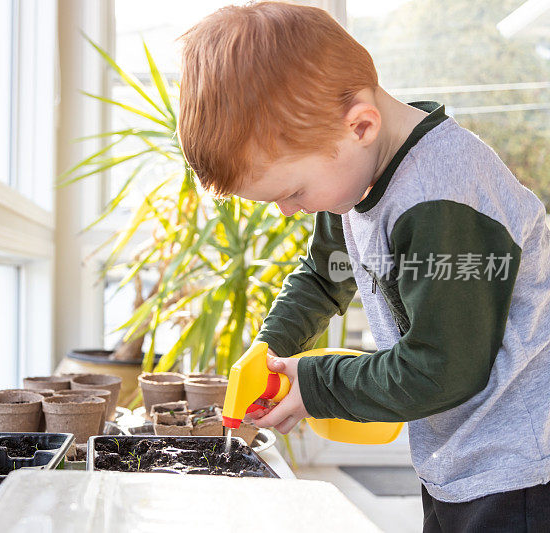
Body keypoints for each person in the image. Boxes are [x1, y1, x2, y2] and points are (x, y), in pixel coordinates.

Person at [177, 2, 550, 531]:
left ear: (361, 125)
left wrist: (317, 383)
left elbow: (444, 367)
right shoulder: (357, 182)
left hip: (521, 472)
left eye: (292, 192)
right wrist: (272, 348)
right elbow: (324, 275)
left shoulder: (444, 199)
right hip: (461, 459)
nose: (289, 210)